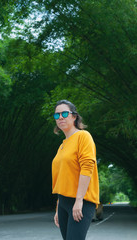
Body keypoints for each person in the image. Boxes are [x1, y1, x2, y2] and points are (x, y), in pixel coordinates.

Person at [52, 100, 99, 240]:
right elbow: (62, 178)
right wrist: (58, 208)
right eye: (57, 115)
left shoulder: (83, 136)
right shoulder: (62, 146)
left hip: (81, 201)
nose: (60, 117)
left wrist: (79, 200)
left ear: (74, 116)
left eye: (64, 113)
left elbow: (87, 167)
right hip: (63, 203)